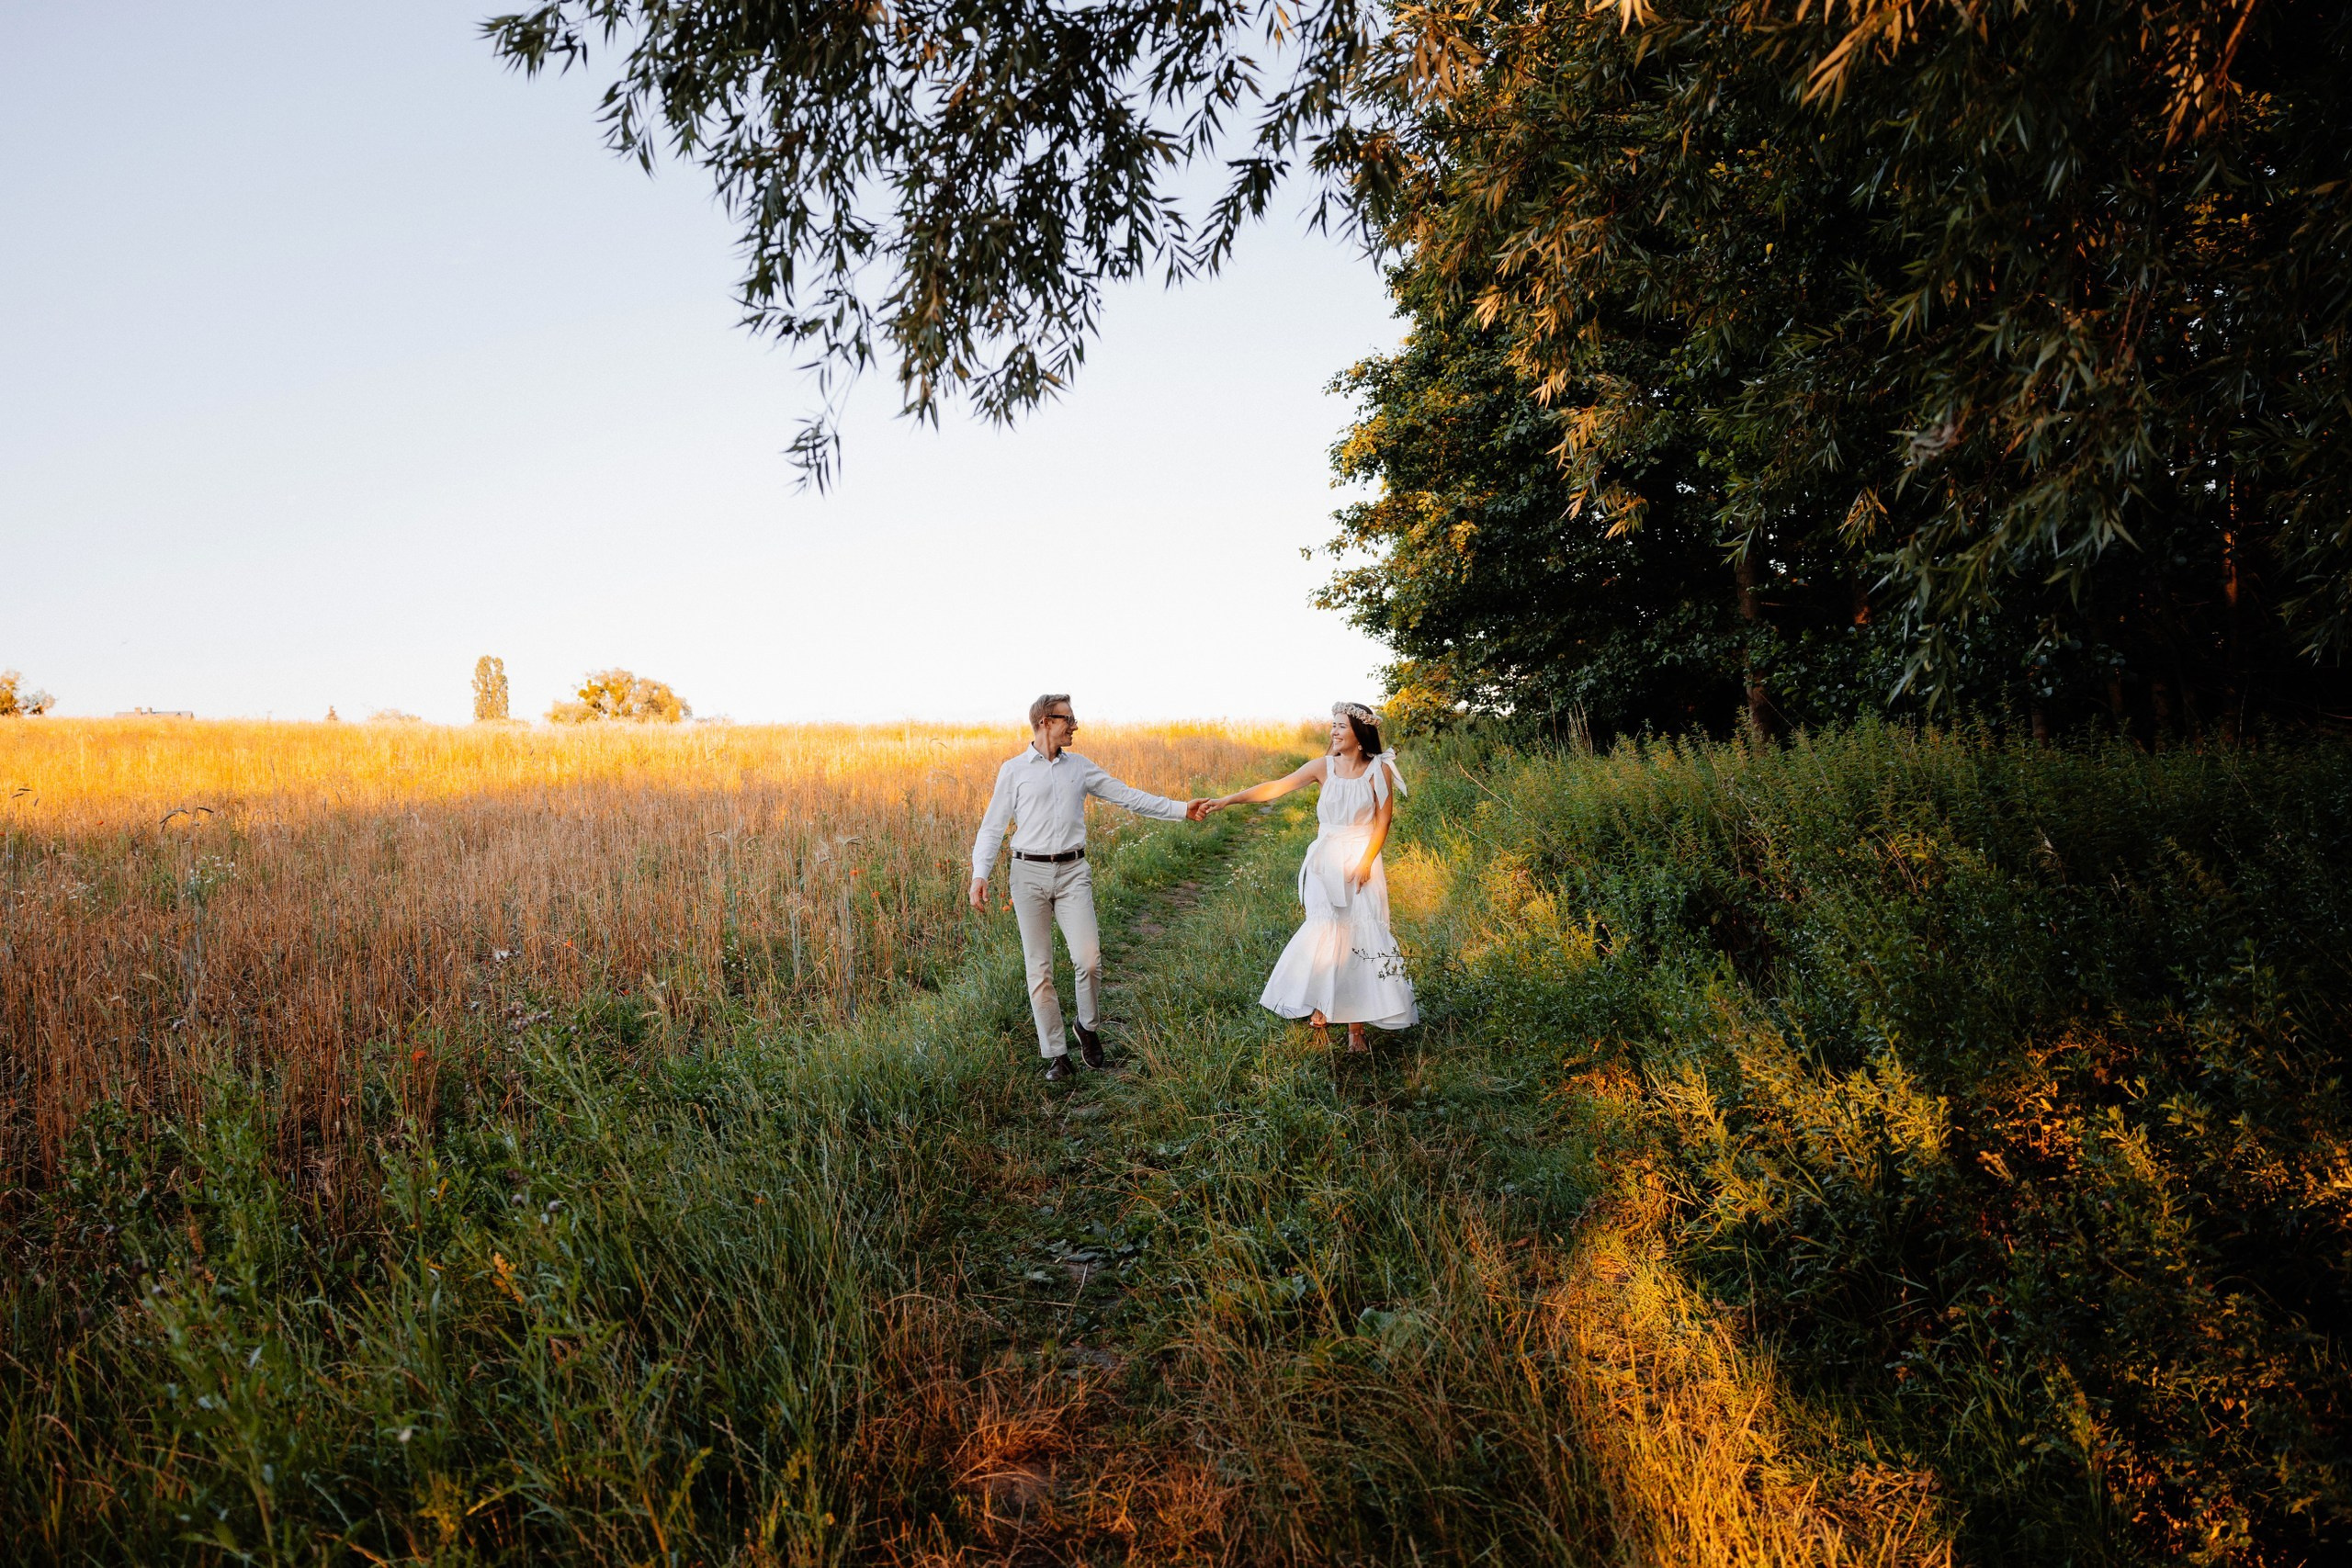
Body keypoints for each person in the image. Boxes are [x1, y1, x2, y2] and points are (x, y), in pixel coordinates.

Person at [969, 694, 1210, 1080]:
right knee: (1039, 970)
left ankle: (1087, 1025)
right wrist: (979, 874)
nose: (1075, 725)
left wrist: (1182, 809)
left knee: (1089, 959)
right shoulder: (1013, 771)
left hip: (1072, 872)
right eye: (1068, 718)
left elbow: (1128, 797)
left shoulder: (1079, 767)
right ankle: (1057, 1055)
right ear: (1045, 721)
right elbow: (992, 827)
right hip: (1027, 875)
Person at [1200, 702, 1416, 1052]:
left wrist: (1366, 861)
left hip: (1361, 860)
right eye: (1333, 725)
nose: (1333, 731)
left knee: (1359, 937)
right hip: (1325, 860)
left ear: (1360, 734)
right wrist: (1228, 800)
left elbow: (1383, 819)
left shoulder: (1379, 769)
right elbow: (1275, 787)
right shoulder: (1322, 766)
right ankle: (1322, 1005)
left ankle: (1356, 1028)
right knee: (1325, 931)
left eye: (1341, 726)